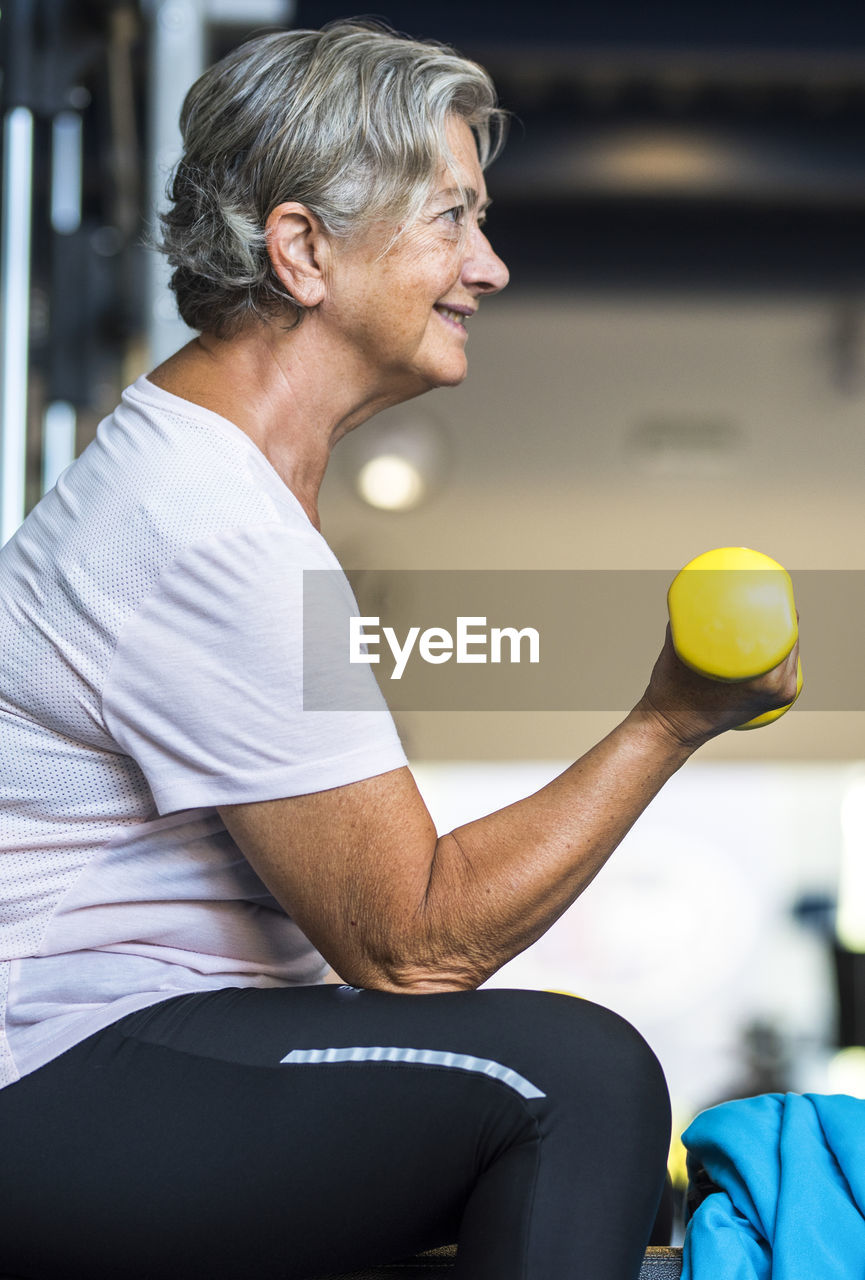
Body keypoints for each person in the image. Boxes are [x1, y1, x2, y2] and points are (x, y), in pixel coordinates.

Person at [0, 19, 799, 1280]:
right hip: (47, 1082)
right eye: (451, 218)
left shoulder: (220, 485)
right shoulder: (205, 521)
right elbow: (414, 938)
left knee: (549, 1136)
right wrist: (669, 719)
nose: (487, 267)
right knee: (568, 1078)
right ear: (303, 250)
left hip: (130, 1057)